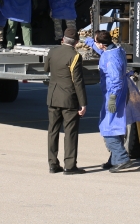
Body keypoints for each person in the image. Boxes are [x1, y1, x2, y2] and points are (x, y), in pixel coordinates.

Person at [85, 30, 140, 173]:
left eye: (95, 42)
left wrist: (112, 99)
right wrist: (89, 42)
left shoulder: (111, 59)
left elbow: (116, 80)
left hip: (115, 94)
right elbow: (103, 54)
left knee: (108, 127)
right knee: (116, 124)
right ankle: (114, 158)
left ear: (101, 44)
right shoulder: (116, 50)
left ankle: (121, 158)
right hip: (120, 92)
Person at [44, 28, 87, 175]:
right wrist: (83, 103)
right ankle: (69, 165)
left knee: (52, 131)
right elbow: (78, 81)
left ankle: (52, 164)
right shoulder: (75, 56)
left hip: (53, 96)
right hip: (69, 99)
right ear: (76, 42)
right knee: (70, 132)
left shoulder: (52, 51)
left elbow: (46, 68)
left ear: (63, 39)